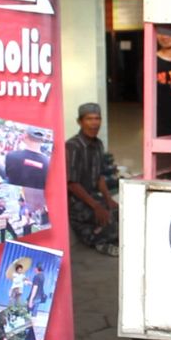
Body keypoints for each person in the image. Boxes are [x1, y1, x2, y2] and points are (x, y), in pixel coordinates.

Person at [66, 103, 119, 257]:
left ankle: (104, 235)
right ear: (80, 122)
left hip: (94, 197)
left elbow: (100, 177)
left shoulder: (98, 145)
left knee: (121, 214)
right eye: (89, 119)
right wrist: (96, 206)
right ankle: (98, 241)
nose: (94, 123)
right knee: (107, 219)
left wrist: (108, 199)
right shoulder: (72, 146)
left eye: (97, 119)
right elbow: (72, 184)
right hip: (77, 202)